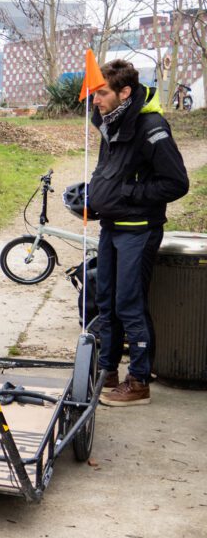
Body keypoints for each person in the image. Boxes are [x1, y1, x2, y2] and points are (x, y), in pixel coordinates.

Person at [87, 60, 188, 407]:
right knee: (107, 302)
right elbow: (111, 170)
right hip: (110, 226)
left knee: (129, 304)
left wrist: (129, 195)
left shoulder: (151, 126)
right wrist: (94, 195)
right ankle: (108, 371)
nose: (94, 99)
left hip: (139, 230)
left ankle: (140, 381)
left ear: (124, 93)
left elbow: (176, 183)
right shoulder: (110, 121)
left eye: (101, 93)